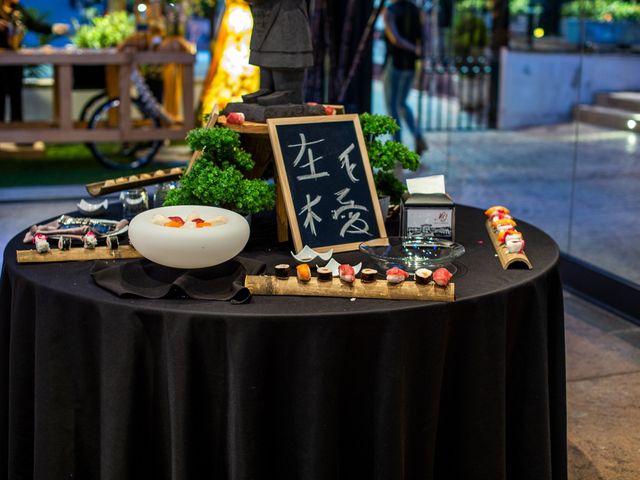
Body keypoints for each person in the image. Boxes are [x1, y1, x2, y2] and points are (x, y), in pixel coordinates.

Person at [0, 0, 68, 123]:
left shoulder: (18, 9)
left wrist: (53, 28)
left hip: (15, 57)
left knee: (16, 94)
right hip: (1, 58)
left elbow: (33, 24)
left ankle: (17, 130)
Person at [243, 0, 313, 106]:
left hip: (287, 12)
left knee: (282, 49)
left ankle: (287, 91)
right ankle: (267, 88)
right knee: (265, 55)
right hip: (264, 13)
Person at [383, 0, 428, 154]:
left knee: (392, 106)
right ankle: (418, 135)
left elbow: (394, 38)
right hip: (410, 65)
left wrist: (412, 48)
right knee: (401, 103)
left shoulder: (390, 10)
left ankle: (397, 146)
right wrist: (417, 52)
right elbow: (425, 37)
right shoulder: (416, 10)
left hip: (394, 63)